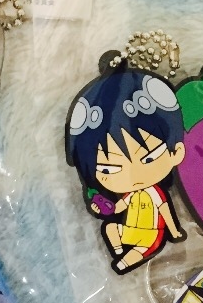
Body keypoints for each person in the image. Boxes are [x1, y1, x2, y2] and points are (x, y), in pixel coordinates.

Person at [65, 59, 186, 273]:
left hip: (152, 233)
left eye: (148, 158)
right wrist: (102, 208)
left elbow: (165, 210)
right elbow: (118, 209)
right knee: (111, 228)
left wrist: (174, 231)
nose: (135, 174)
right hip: (130, 229)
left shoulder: (155, 193)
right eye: (109, 169)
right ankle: (120, 251)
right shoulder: (128, 195)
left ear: (176, 152)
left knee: (140, 250)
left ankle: (125, 259)